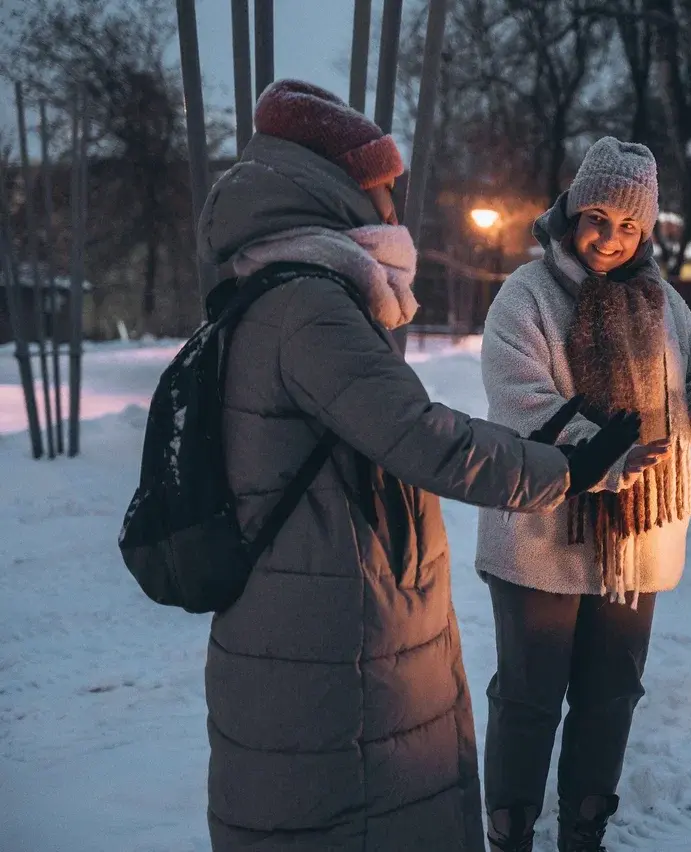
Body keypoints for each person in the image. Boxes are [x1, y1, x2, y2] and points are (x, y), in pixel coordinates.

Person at [196, 80, 637, 852]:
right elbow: (424, 438)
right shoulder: (310, 308)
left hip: (319, 605)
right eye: (382, 186)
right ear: (338, 186)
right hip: (335, 631)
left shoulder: (270, 285)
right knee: (357, 812)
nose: (393, 204)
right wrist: (564, 471)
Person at [476, 137, 691, 851]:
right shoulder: (525, 297)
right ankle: (511, 833)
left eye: (629, 226)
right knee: (529, 701)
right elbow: (521, 401)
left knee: (609, 699)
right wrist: (610, 454)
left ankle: (585, 832)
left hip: (634, 549)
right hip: (541, 543)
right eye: (598, 217)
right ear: (570, 209)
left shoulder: (664, 308)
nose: (610, 239)